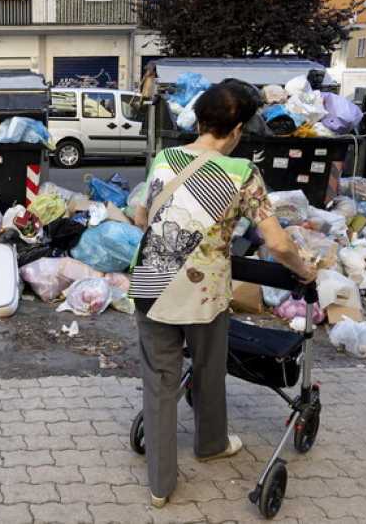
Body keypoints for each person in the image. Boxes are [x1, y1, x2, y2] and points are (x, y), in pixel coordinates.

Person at [129, 79, 317, 508]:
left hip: (152, 285)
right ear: (235, 131)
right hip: (204, 295)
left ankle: (160, 486)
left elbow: (141, 217)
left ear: (199, 119)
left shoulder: (165, 158)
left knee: (159, 385)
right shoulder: (241, 174)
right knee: (210, 370)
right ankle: (210, 443)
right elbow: (279, 244)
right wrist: (305, 272)